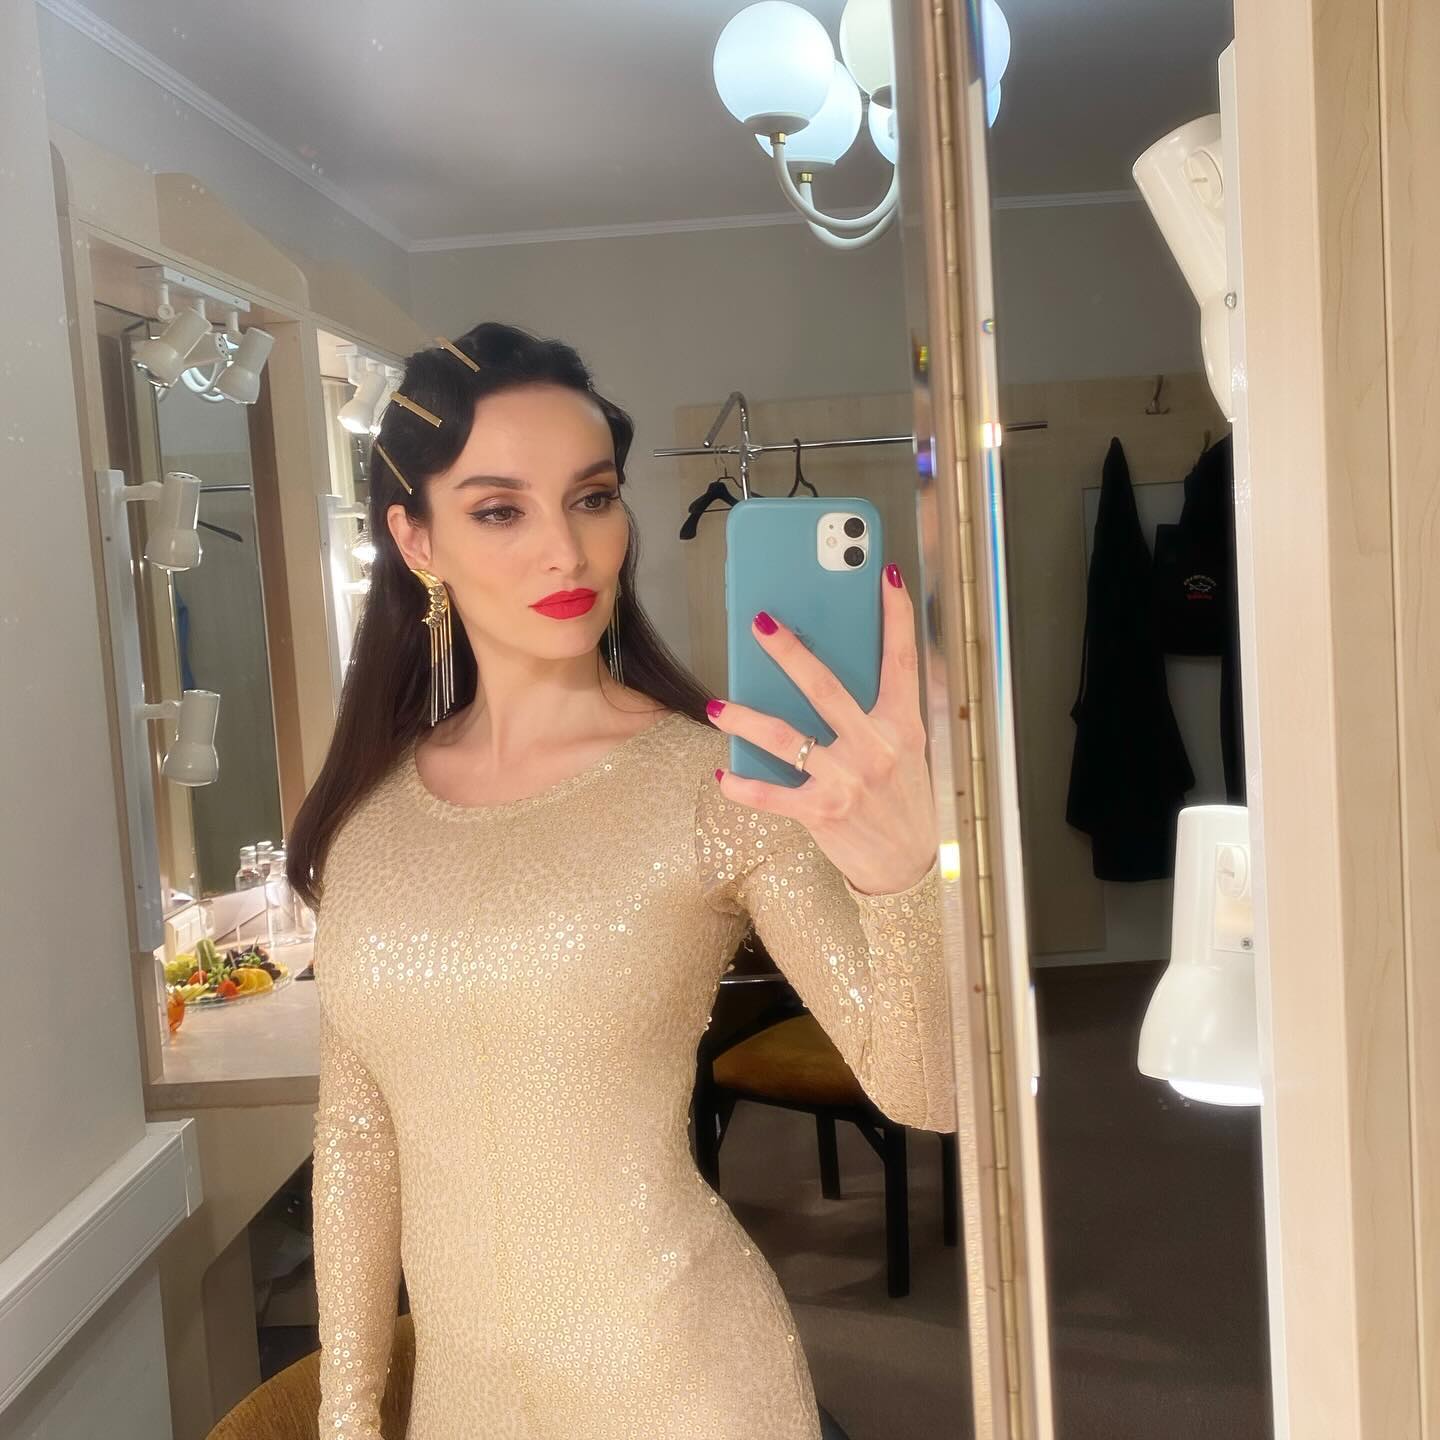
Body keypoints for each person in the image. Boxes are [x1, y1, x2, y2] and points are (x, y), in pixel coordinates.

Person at [286, 322, 957, 1439]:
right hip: (465, 1409)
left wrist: (903, 878)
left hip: (687, 1386)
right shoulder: (369, 820)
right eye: (501, 510)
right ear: (416, 539)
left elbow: (928, 1096)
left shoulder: (712, 786)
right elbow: (358, 1136)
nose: (568, 550)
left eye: (592, 498)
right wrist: (348, 1421)